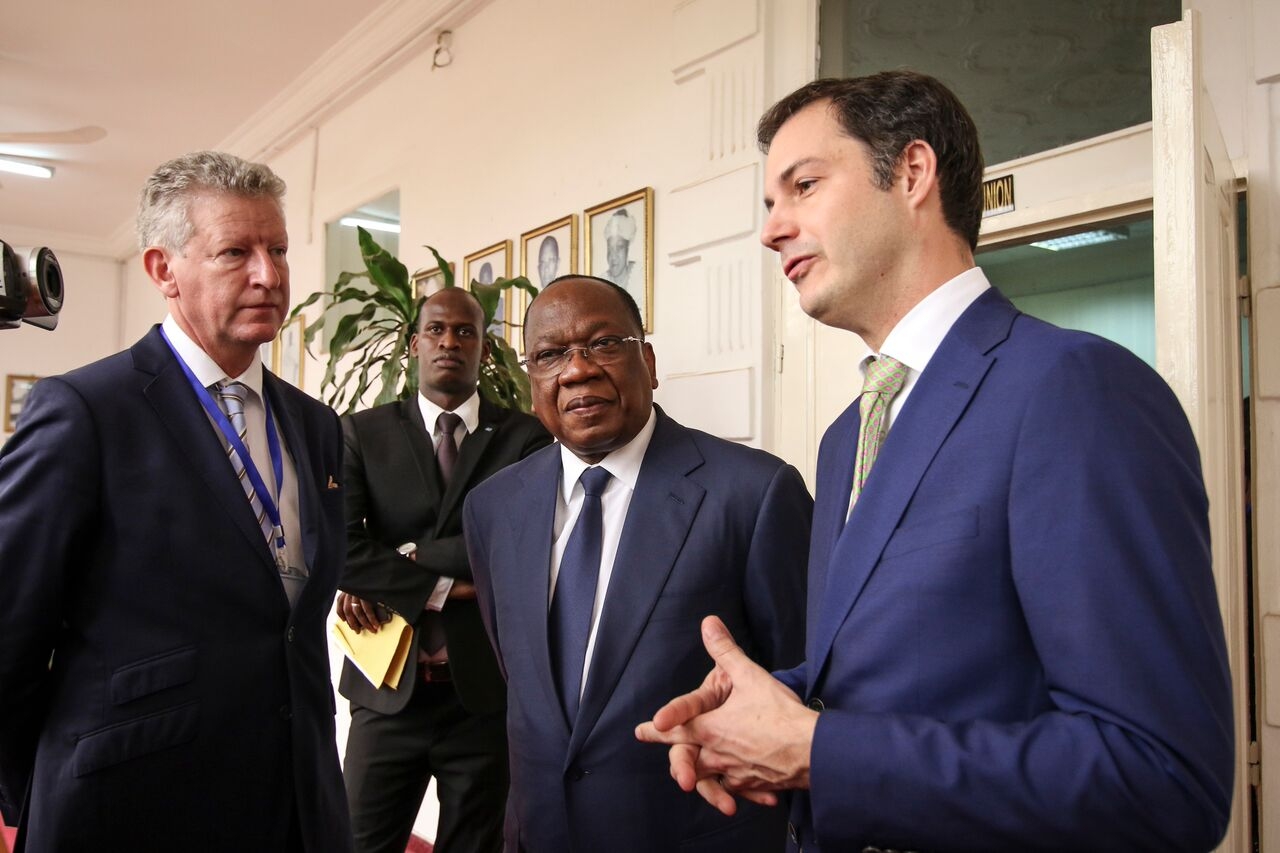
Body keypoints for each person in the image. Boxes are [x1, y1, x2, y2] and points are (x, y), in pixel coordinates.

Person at [637, 71, 1235, 852]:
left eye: (804, 186)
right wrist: (761, 712)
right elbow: (901, 665)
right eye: (769, 204)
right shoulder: (846, 434)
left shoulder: (1075, 390)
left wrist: (817, 753)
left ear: (913, 173)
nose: (771, 229)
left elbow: (1162, 778)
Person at [0, 151, 352, 851]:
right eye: (236, 252)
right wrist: (44, 776)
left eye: (278, 249)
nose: (269, 274)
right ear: (163, 270)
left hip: (296, 803)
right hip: (130, 803)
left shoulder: (315, 426)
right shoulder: (85, 412)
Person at [463, 275, 812, 852]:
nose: (576, 371)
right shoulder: (493, 508)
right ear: (532, 382)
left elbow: (798, 686)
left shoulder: (754, 493)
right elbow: (522, 683)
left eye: (603, 344)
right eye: (550, 355)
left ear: (648, 362)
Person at [335, 287, 551, 853]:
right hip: (387, 691)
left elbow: (518, 544)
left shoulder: (525, 438)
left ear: (485, 349)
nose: (449, 342)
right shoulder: (363, 432)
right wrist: (445, 588)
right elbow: (340, 546)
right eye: (436, 330)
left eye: (464, 332)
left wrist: (407, 558)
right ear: (413, 345)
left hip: (481, 696)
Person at [602, 209, 638, 293]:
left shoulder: (639, 273)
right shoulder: (601, 281)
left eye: (619, 247)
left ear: (627, 249)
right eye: (610, 249)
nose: (613, 256)